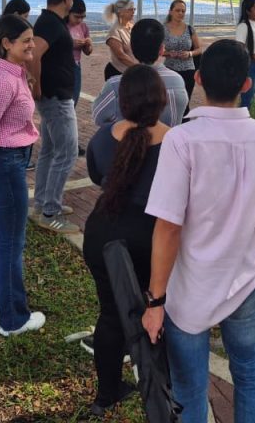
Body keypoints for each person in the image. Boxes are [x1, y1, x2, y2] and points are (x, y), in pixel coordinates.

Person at [143, 39, 255, 422]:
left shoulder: (181, 139)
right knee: (251, 373)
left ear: (198, 79)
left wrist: (155, 301)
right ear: (247, 84)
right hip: (245, 278)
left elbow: (168, 227)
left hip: (188, 287)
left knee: (189, 387)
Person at [82, 65, 169, 416]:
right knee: (157, 312)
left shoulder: (104, 137)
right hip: (149, 239)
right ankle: (161, 390)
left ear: (122, 101)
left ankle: (106, 394)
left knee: (111, 315)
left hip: (101, 234)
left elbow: (94, 174)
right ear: (163, 100)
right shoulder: (176, 141)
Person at [0, 15, 45, 337]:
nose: (31, 45)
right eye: (25, 40)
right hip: (5, 165)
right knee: (12, 244)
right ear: (6, 44)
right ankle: (13, 319)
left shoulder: (12, 74)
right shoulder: (3, 80)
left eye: (32, 39)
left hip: (5, 164)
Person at [27, 0, 80, 234]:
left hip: (56, 96)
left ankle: (42, 203)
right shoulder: (49, 22)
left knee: (50, 150)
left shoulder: (51, 22)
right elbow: (34, 54)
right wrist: (35, 85)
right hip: (57, 99)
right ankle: (50, 211)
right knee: (67, 152)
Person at [93, 18, 188, 128]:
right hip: (167, 143)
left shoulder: (115, 85)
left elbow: (98, 118)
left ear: (132, 48)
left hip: (127, 143)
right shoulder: (177, 81)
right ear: (162, 49)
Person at [163, 0, 202, 113]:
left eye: (183, 11)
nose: (181, 13)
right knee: (170, 101)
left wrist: (189, 53)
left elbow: (199, 49)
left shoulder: (189, 28)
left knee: (185, 101)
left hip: (188, 70)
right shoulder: (163, 29)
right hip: (170, 69)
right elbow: (157, 50)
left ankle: (184, 124)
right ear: (170, 12)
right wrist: (169, 53)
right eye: (178, 10)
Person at [67, 0, 93, 157]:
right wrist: (70, 43)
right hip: (63, 67)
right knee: (65, 107)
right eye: (77, 16)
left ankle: (72, 142)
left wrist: (87, 44)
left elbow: (88, 52)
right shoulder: (62, 26)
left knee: (72, 105)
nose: (80, 20)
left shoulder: (83, 27)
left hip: (76, 66)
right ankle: (68, 143)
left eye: (83, 17)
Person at [103, 0, 137, 80]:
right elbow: (121, 56)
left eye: (134, 9)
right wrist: (139, 68)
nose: (133, 12)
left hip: (132, 72)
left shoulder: (132, 27)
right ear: (120, 12)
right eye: (130, 9)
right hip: (119, 73)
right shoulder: (114, 32)